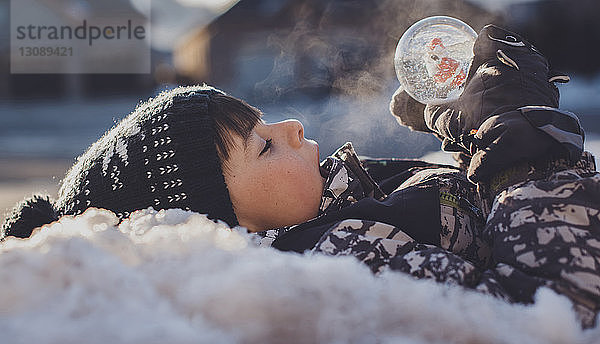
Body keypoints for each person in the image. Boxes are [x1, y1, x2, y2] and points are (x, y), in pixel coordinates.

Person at [2, 25, 599, 327]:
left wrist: (474, 141)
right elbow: (546, 309)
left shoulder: (339, 207)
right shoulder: (333, 261)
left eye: (265, 122)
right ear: (227, 226)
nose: (289, 126)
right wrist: (527, 153)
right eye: (262, 147)